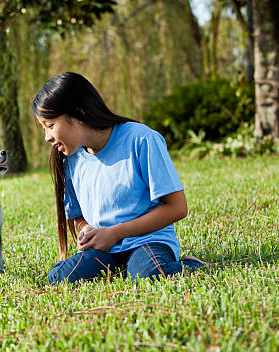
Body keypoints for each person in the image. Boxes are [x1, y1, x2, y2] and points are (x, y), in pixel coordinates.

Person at [32, 72, 205, 284]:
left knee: (149, 276)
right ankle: (123, 268)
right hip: (106, 249)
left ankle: (189, 264)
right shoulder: (71, 158)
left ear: (78, 114)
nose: (47, 137)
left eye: (50, 125)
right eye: (44, 128)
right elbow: (77, 216)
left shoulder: (141, 139)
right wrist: (88, 231)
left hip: (147, 240)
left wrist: (115, 233)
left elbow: (177, 208)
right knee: (60, 277)